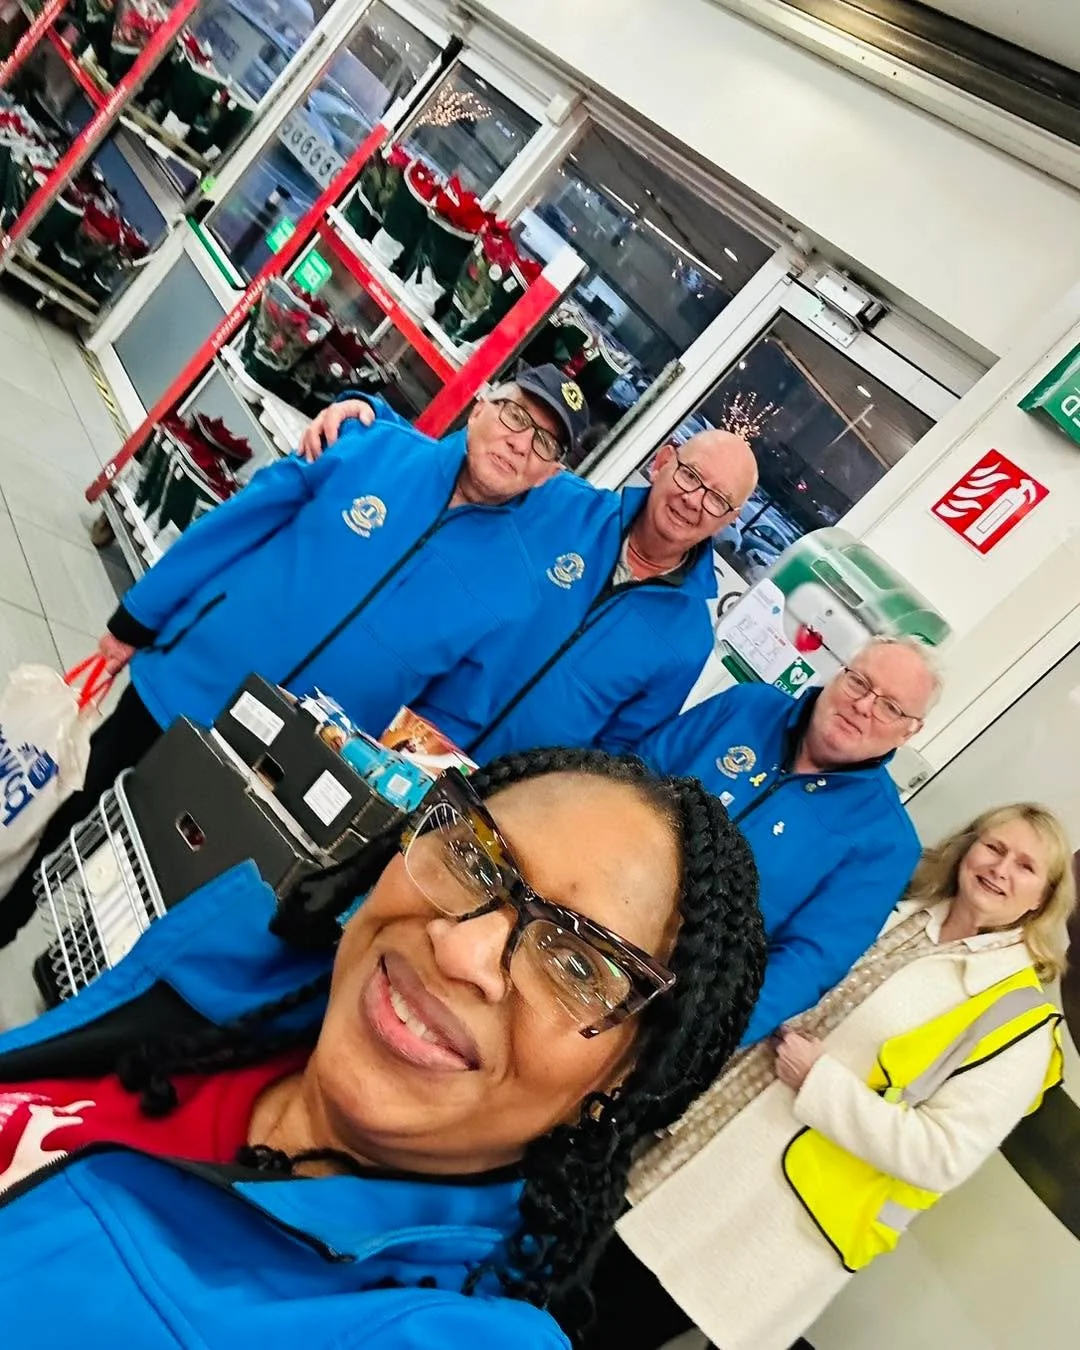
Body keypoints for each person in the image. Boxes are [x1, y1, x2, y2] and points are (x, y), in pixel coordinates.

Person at [0, 748, 767, 1348]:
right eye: (474, 861)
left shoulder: (432, 1326)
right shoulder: (233, 997)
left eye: (574, 965)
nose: (462, 948)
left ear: (622, 1082)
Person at [0, 365, 590, 948]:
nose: (520, 443)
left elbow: (437, 727)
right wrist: (139, 615)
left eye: (544, 442)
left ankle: (79, 976)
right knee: (69, 810)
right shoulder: (368, 447)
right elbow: (241, 522)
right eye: (516, 414)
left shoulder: (514, 592)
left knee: (169, 886)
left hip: (280, 768)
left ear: (551, 475)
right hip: (189, 678)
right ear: (483, 403)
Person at [614, 802, 1073, 1350]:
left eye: (1026, 867)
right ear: (967, 846)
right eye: (995, 847)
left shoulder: (1018, 1017)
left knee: (612, 1326)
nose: (1001, 868)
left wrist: (820, 1085)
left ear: (1043, 899)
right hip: (682, 1140)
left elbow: (942, 1156)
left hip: (757, 1215)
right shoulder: (898, 912)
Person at [301, 396, 760, 762]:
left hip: (485, 804)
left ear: (730, 519)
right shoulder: (558, 501)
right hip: (393, 715)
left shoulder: (689, 641)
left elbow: (613, 759)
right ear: (662, 463)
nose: (694, 500)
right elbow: (457, 469)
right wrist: (368, 414)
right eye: (690, 476)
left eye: (718, 499)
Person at [639, 635, 940, 1048]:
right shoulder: (746, 707)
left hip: (664, 996)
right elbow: (632, 776)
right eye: (859, 683)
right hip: (582, 907)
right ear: (839, 674)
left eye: (890, 707)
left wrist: (698, 1040)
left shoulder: (886, 843)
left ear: (910, 731)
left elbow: (807, 963)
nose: (864, 706)